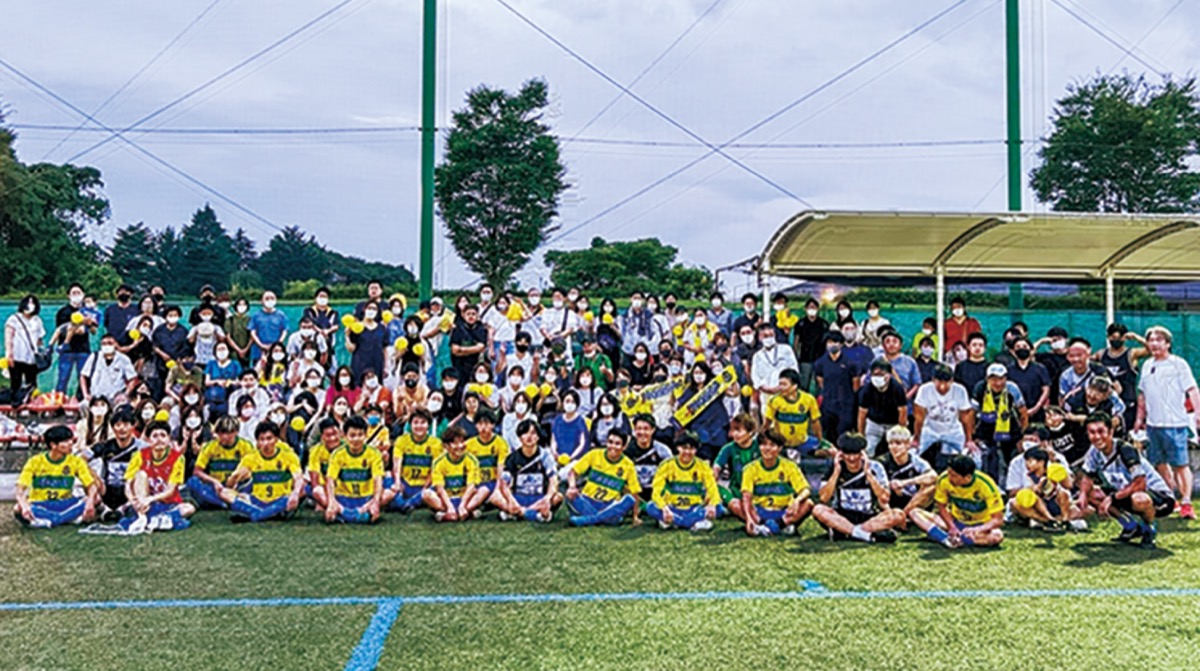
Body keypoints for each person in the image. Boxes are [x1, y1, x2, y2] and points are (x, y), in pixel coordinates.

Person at [1079, 413, 1176, 549]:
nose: (1097, 437)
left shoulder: (1126, 449)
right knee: (1092, 494)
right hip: (1126, 492)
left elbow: (1140, 484)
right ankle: (1130, 527)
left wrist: (1112, 498)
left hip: (1160, 498)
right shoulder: (1094, 451)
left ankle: (1149, 530)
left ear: (1111, 431)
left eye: (1101, 431)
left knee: (1139, 499)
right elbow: (1087, 476)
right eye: (1092, 432)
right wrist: (1083, 494)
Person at [1134, 326, 1199, 520]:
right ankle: (1171, 500)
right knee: (1159, 464)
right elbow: (1142, 395)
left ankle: (1186, 503)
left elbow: (1192, 390)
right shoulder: (1146, 365)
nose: (1154, 343)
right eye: (1151, 340)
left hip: (1175, 424)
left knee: (1180, 464)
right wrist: (1139, 419)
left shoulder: (1178, 364)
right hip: (1153, 426)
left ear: (1168, 343)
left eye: (1158, 340)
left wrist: (1198, 414)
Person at [812, 432, 902, 543]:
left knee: (898, 515)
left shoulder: (875, 466)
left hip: (869, 517)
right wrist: (836, 472)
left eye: (855, 454)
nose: (851, 458)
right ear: (841, 454)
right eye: (847, 454)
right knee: (818, 509)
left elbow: (885, 498)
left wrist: (868, 474)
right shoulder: (834, 466)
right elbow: (823, 498)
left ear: (862, 453)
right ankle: (863, 534)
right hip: (841, 516)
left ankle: (847, 532)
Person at [214, 420, 304, 522]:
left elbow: (298, 478)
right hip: (257, 500)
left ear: (276, 439)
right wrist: (234, 477)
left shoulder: (288, 456)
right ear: (257, 442)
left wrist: (295, 493)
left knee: (301, 490)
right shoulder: (251, 458)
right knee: (224, 492)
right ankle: (269, 514)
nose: (265, 443)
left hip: (280, 499)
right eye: (261, 439)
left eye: (269, 439)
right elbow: (230, 484)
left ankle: (255, 515)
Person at [909, 454, 1004, 549]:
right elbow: (941, 507)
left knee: (997, 536)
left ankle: (954, 538)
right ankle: (946, 539)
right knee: (914, 512)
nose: (949, 477)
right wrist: (952, 527)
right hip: (955, 520)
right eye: (949, 473)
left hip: (980, 524)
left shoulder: (986, 485)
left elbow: (998, 519)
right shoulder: (944, 479)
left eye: (954, 475)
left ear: (967, 477)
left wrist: (976, 529)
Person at [13, 425, 100, 528]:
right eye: (66, 441)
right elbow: (19, 490)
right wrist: (24, 505)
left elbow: (91, 486)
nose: (71, 443)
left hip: (65, 503)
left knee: (96, 499)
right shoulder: (35, 461)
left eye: (71, 440)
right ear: (53, 445)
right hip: (41, 504)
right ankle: (66, 518)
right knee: (18, 508)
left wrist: (90, 502)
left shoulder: (76, 461)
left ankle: (50, 520)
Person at [121, 421, 196, 533]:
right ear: (148, 440)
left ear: (169, 439)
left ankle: (159, 519)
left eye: (163, 435)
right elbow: (128, 485)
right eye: (155, 436)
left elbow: (170, 490)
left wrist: (150, 499)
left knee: (189, 508)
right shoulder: (139, 455)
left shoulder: (178, 458)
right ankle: (144, 518)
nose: (159, 439)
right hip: (144, 504)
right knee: (141, 474)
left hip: (168, 503)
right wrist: (133, 501)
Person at [740, 429, 812, 537]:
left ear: (780, 448)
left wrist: (797, 500)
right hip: (760, 511)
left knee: (808, 503)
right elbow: (746, 496)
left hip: (784, 511)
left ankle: (779, 525)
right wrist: (749, 518)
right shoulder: (750, 469)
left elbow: (805, 489)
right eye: (763, 444)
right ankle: (762, 525)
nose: (767, 448)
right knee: (736, 504)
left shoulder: (790, 466)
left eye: (772, 445)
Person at [646, 432, 721, 532]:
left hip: (694, 508)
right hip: (672, 508)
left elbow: (713, 489)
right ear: (678, 448)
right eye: (684, 448)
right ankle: (693, 523)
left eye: (692, 448)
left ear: (696, 449)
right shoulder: (666, 465)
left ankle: (674, 522)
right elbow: (656, 492)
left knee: (719, 508)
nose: (687, 452)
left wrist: (712, 505)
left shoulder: (702, 466)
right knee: (650, 506)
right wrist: (665, 508)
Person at [566, 429, 641, 527]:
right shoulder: (594, 454)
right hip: (588, 501)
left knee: (629, 499)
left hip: (609, 505)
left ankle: (588, 519)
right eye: (610, 442)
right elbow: (572, 472)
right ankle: (606, 519)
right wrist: (572, 487)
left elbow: (635, 492)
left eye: (617, 444)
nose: (612, 446)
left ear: (624, 447)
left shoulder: (628, 465)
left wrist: (635, 517)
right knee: (570, 495)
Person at [324, 415, 389, 523]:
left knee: (388, 494)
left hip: (366, 498)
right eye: (352, 435)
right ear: (345, 436)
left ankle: (345, 515)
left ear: (365, 435)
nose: (356, 439)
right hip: (343, 498)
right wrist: (332, 502)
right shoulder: (337, 454)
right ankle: (357, 515)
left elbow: (378, 479)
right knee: (321, 493)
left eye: (360, 435)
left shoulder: (374, 454)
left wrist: (375, 502)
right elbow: (330, 480)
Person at [494, 419, 560, 523]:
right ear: (520, 437)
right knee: (494, 496)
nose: (529, 437)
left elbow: (553, 480)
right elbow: (504, 483)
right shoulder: (512, 458)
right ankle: (536, 515)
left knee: (557, 497)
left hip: (539, 497)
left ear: (538, 437)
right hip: (518, 498)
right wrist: (511, 500)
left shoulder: (545, 456)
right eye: (525, 433)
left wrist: (547, 498)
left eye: (533, 433)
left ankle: (517, 513)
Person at [912, 364, 974, 470]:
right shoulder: (924, 390)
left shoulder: (960, 390)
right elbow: (919, 418)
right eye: (939, 382)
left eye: (946, 382)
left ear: (952, 380)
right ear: (933, 380)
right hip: (930, 429)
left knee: (974, 456)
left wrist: (969, 440)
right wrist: (916, 438)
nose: (942, 386)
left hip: (953, 430)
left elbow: (966, 418)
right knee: (911, 453)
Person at [186, 416, 252, 510]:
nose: (224, 437)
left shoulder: (246, 446)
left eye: (228, 433)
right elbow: (197, 471)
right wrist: (214, 482)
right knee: (192, 482)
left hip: (238, 486)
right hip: (217, 487)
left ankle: (226, 500)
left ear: (236, 432)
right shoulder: (210, 446)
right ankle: (223, 503)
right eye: (221, 433)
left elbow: (253, 468)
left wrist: (237, 479)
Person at [1008, 445, 1078, 532]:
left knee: (1064, 494)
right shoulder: (1030, 475)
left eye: (1030, 461)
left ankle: (1065, 520)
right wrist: (1037, 487)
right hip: (1040, 505)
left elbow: (1067, 486)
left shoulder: (1051, 471)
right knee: (1016, 502)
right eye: (1026, 461)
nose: (1027, 464)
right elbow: (1034, 490)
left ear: (1041, 462)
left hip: (1054, 501)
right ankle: (1049, 520)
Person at [388, 408, 444, 513]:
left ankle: (404, 504)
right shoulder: (401, 440)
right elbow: (397, 465)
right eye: (416, 422)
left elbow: (434, 470)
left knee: (436, 487)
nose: (419, 426)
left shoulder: (436, 443)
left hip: (424, 485)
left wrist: (424, 487)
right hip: (405, 483)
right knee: (387, 477)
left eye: (423, 422)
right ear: (410, 425)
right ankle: (406, 503)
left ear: (428, 425)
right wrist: (397, 483)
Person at [424, 425, 483, 522]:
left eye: (462, 442)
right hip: (446, 499)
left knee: (484, 490)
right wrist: (450, 506)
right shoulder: (438, 462)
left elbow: (471, 486)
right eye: (455, 443)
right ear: (446, 446)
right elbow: (440, 488)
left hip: (465, 498)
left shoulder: (472, 460)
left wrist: (462, 505)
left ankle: (446, 515)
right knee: (426, 494)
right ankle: (461, 512)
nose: (460, 446)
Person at [1096, 322, 1148, 429]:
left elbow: (1153, 350)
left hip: (1128, 402)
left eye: (1119, 338)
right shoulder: (1101, 355)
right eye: (1113, 337)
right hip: (1107, 403)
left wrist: (1137, 338)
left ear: (1124, 338)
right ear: (1108, 337)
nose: (1116, 340)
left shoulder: (1132, 354)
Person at [880, 425, 937, 521]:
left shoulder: (916, 461)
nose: (893, 447)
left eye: (898, 443)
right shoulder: (882, 461)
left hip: (913, 500)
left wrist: (904, 483)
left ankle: (903, 516)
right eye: (890, 443)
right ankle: (893, 516)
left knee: (931, 487)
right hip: (892, 499)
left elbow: (933, 476)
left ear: (908, 445)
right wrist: (889, 485)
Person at [764, 368, 823, 458]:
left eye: (784, 384)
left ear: (795, 386)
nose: (780, 387)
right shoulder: (774, 401)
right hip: (781, 444)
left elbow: (815, 422)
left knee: (826, 452)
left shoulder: (809, 399)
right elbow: (767, 423)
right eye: (780, 384)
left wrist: (820, 440)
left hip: (802, 442)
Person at [813, 331, 859, 444]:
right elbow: (820, 381)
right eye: (829, 342)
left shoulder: (850, 363)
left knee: (843, 433)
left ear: (841, 344)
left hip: (846, 405)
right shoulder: (820, 363)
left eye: (835, 342)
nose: (832, 345)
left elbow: (855, 385)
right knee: (829, 434)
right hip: (828, 404)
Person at [463, 409, 510, 514]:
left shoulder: (500, 443)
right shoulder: (469, 444)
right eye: (480, 424)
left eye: (486, 424)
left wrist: (497, 489)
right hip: (475, 483)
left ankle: (463, 511)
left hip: (492, 483)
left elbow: (501, 467)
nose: (483, 427)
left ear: (493, 425)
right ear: (475, 425)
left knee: (486, 493)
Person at [53, 283, 96, 395]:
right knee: (63, 378)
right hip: (67, 351)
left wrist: (90, 323)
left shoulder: (88, 311)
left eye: (79, 293)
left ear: (83, 294)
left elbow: (93, 331)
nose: (76, 295)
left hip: (83, 349)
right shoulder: (63, 312)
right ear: (68, 296)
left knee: (84, 377)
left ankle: (81, 399)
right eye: (74, 293)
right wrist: (79, 325)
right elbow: (61, 330)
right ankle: (59, 399)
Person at [857, 359, 907, 455]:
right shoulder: (866, 390)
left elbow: (902, 411)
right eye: (875, 374)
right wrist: (861, 435)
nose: (878, 377)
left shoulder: (897, 389)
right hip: (874, 423)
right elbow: (862, 414)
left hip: (893, 424)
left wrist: (901, 430)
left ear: (889, 375)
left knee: (896, 450)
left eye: (881, 374)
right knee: (868, 449)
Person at [624, 414, 673, 501]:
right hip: (634, 494)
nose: (642, 432)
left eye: (646, 429)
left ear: (653, 430)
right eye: (639, 429)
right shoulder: (626, 451)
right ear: (634, 430)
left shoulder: (662, 450)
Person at [5, 294, 46, 394]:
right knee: (15, 383)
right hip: (17, 356)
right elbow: (8, 337)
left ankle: (31, 402)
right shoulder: (14, 319)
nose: (30, 305)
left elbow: (39, 339)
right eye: (28, 302)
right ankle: (15, 401)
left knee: (32, 384)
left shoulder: (37, 320)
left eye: (33, 303)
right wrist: (9, 354)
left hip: (31, 358)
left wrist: (41, 352)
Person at [80, 334, 138, 405]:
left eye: (110, 343)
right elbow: (83, 376)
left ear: (115, 344)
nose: (107, 346)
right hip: (96, 397)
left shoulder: (123, 359)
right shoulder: (94, 357)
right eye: (104, 344)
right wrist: (85, 394)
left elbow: (133, 378)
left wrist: (125, 394)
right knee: (83, 405)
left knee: (124, 405)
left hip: (115, 398)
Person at [1006, 336, 1051, 424]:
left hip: (1037, 412)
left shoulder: (1040, 368)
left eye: (1025, 346)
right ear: (1013, 351)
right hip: (1014, 414)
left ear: (1031, 350)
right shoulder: (1008, 370)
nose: (1021, 349)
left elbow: (1046, 389)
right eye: (1018, 347)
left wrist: (1036, 408)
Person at [750, 321, 798, 402]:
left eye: (771, 335)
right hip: (767, 395)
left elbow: (794, 369)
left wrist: (784, 386)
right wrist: (768, 389)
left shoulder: (786, 349)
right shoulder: (757, 356)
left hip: (786, 393)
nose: (769, 338)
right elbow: (755, 378)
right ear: (760, 337)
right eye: (765, 336)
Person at [306, 417, 344, 513]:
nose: (332, 438)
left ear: (340, 433)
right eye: (328, 435)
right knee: (315, 491)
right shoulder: (315, 451)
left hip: (345, 490)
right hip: (325, 488)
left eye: (335, 434)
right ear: (322, 437)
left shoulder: (348, 447)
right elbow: (315, 480)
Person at [792, 297, 828, 392]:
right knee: (804, 384)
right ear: (805, 309)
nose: (812, 309)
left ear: (818, 309)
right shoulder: (800, 324)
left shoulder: (824, 324)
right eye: (810, 307)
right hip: (805, 358)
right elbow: (796, 341)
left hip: (820, 358)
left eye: (814, 307)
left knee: (820, 385)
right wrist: (795, 355)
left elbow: (827, 342)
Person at [248, 291, 288, 365]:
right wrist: (261, 345)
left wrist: (276, 345)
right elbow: (252, 332)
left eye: (272, 298)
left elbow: (284, 331)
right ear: (261, 301)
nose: (270, 300)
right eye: (267, 298)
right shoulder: (256, 316)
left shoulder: (281, 315)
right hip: (259, 351)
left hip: (277, 352)